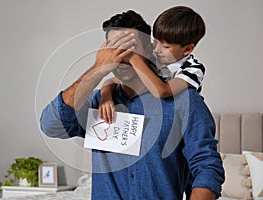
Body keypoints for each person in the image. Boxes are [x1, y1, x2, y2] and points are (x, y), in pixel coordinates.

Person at [40, 10, 224, 200]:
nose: (122, 56)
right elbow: (51, 125)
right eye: (114, 49)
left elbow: (207, 167)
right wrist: (98, 68)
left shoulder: (184, 101)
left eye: (130, 47)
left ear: (149, 49)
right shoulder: (97, 101)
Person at [98, 6, 206, 124]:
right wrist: (106, 98)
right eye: (155, 42)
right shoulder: (154, 58)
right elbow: (111, 81)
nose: (157, 49)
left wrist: (133, 57)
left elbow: (162, 91)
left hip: (181, 116)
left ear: (187, 49)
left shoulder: (193, 69)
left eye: (165, 46)